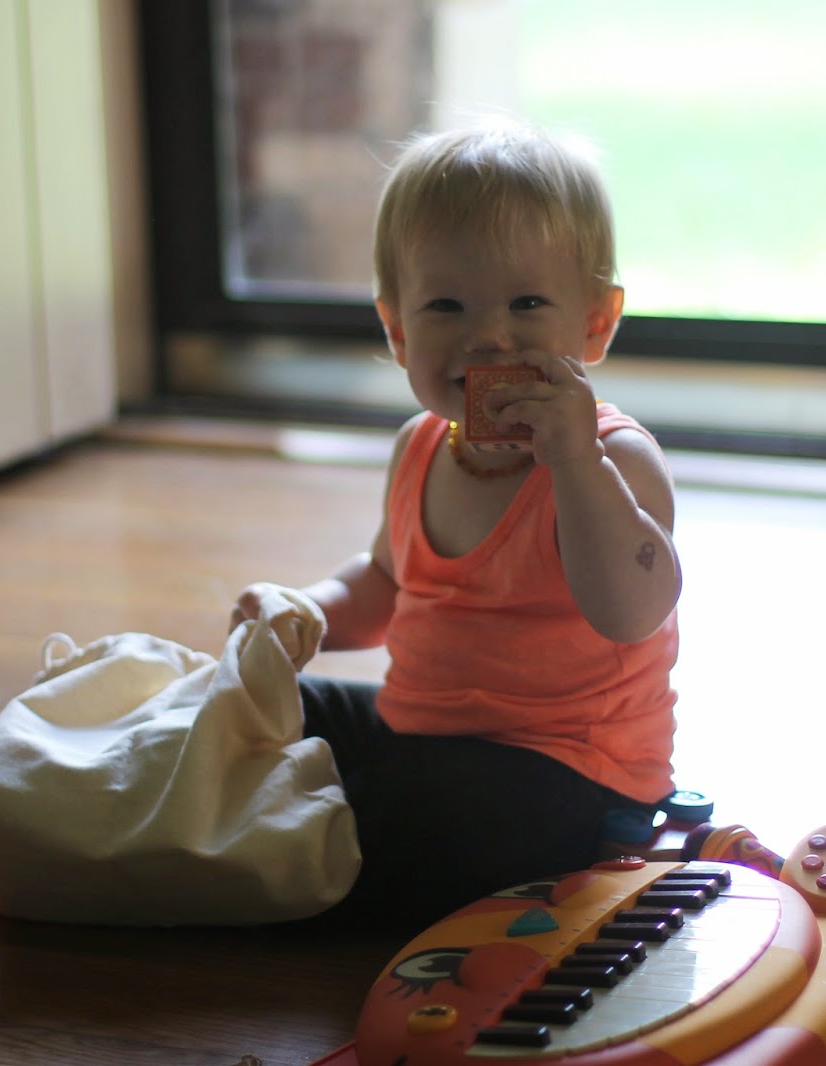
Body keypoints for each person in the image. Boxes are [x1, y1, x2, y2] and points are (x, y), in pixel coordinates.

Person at [231, 120, 682, 925]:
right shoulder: (420, 447)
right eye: (446, 305)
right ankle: (303, 827)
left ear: (595, 323)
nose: (489, 337)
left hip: (567, 774)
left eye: (527, 303)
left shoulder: (614, 458)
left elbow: (632, 611)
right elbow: (385, 585)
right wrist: (305, 610)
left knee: (429, 809)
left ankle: (303, 850)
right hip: (420, 738)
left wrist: (574, 462)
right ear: (399, 330)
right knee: (262, 704)